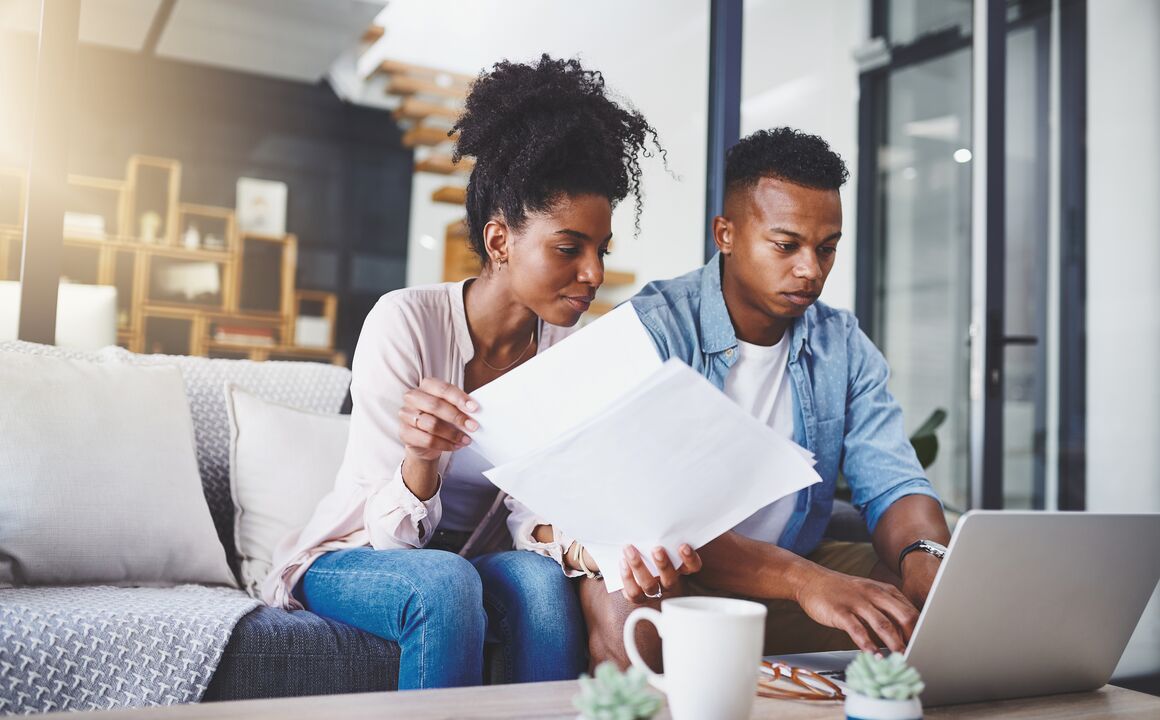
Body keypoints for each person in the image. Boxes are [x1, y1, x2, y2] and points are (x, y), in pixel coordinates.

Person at [261, 55, 689, 689]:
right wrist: (421, 460)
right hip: (358, 553)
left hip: (476, 558)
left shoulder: (569, 351)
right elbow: (392, 540)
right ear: (499, 242)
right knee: (445, 583)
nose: (594, 273)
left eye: (601, 251)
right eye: (569, 248)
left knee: (544, 589)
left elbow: (530, 513)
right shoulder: (403, 321)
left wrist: (586, 550)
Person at [582, 127, 952, 667]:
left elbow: (893, 478)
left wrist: (926, 558)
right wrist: (806, 583)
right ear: (725, 234)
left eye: (827, 249)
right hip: (678, 574)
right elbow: (661, 520)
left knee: (923, 595)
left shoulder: (841, 344)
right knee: (626, 597)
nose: (811, 269)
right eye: (787, 245)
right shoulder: (652, 331)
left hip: (790, 570)